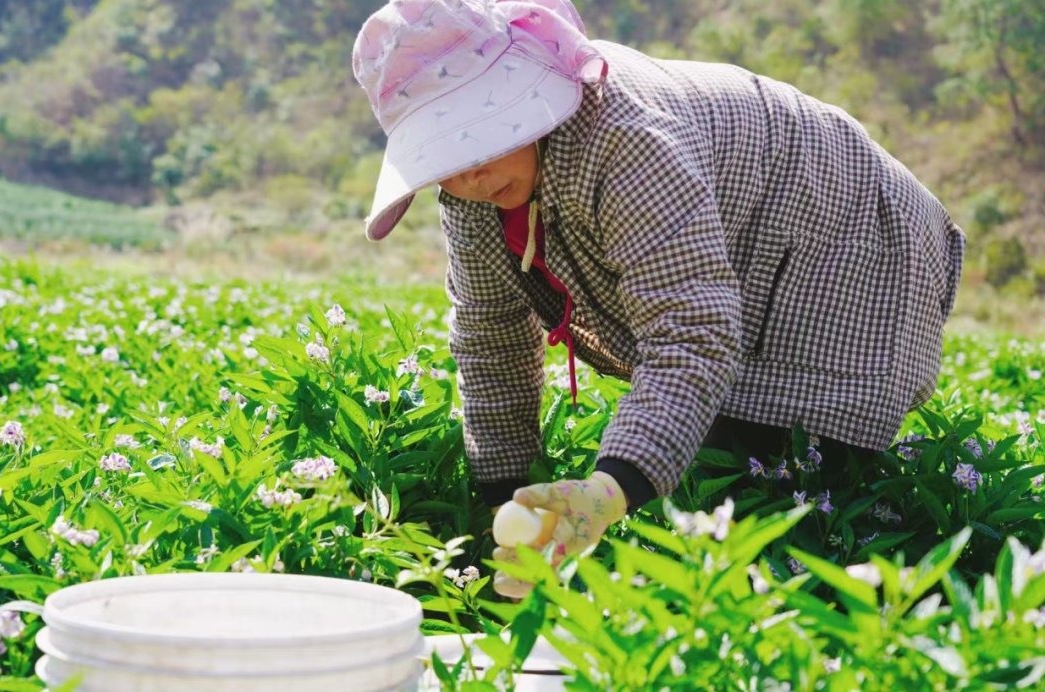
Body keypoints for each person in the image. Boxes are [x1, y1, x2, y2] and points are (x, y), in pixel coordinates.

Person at [352, 0, 965, 597]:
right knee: (719, 485)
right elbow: (491, 338)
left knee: (768, 491)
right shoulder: (471, 195)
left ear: (528, 102)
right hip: (758, 240)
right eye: (445, 157)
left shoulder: (624, 140)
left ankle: (850, 615)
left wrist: (605, 493)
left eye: (478, 142)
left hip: (847, 232)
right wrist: (506, 501)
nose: (468, 176)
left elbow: (690, 330)